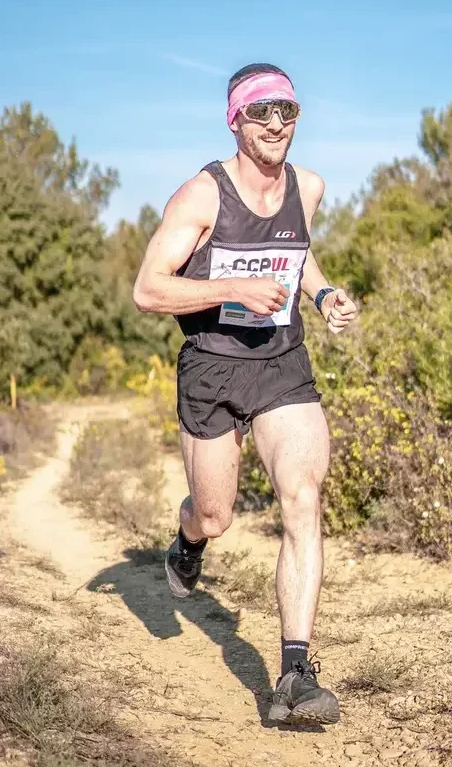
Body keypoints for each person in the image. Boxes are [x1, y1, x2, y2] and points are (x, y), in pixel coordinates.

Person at [133, 63, 357, 725]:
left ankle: (293, 676)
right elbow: (148, 289)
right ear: (234, 120)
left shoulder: (307, 187)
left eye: (286, 111)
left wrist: (322, 296)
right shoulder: (201, 197)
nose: (276, 124)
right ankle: (189, 543)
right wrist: (230, 289)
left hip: (282, 363)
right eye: (261, 113)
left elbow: (296, 253)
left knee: (302, 497)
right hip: (211, 367)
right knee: (215, 514)